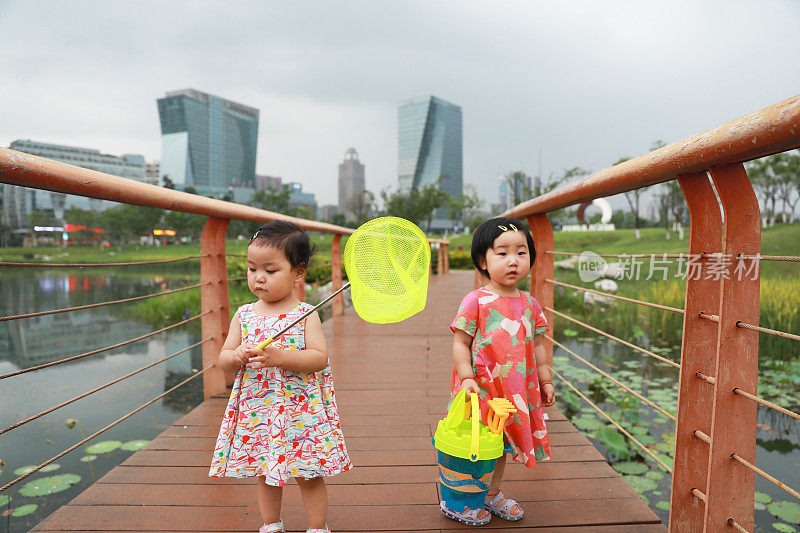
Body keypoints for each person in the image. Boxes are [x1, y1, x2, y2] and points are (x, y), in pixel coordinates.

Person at [209, 220, 351, 533]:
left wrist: (280, 357)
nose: (259, 278)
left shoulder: (305, 314)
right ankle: (271, 524)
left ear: (298, 272)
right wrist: (235, 356)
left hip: (300, 410)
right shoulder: (244, 314)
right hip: (259, 410)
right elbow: (223, 360)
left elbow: (318, 357)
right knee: (265, 471)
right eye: (252, 269)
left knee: (309, 472)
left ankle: (317, 527)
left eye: (270, 271)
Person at [442, 216, 555, 526]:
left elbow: (539, 346)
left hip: (514, 392)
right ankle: (462, 498)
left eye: (521, 252)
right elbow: (460, 343)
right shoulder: (475, 301)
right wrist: (466, 376)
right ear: (483, 260)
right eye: (502, 253)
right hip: (480, 390)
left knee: (500, 445)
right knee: (475, 446)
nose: (513, 261)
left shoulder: (530, 304)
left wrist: (545, 379)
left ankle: (491, 494)